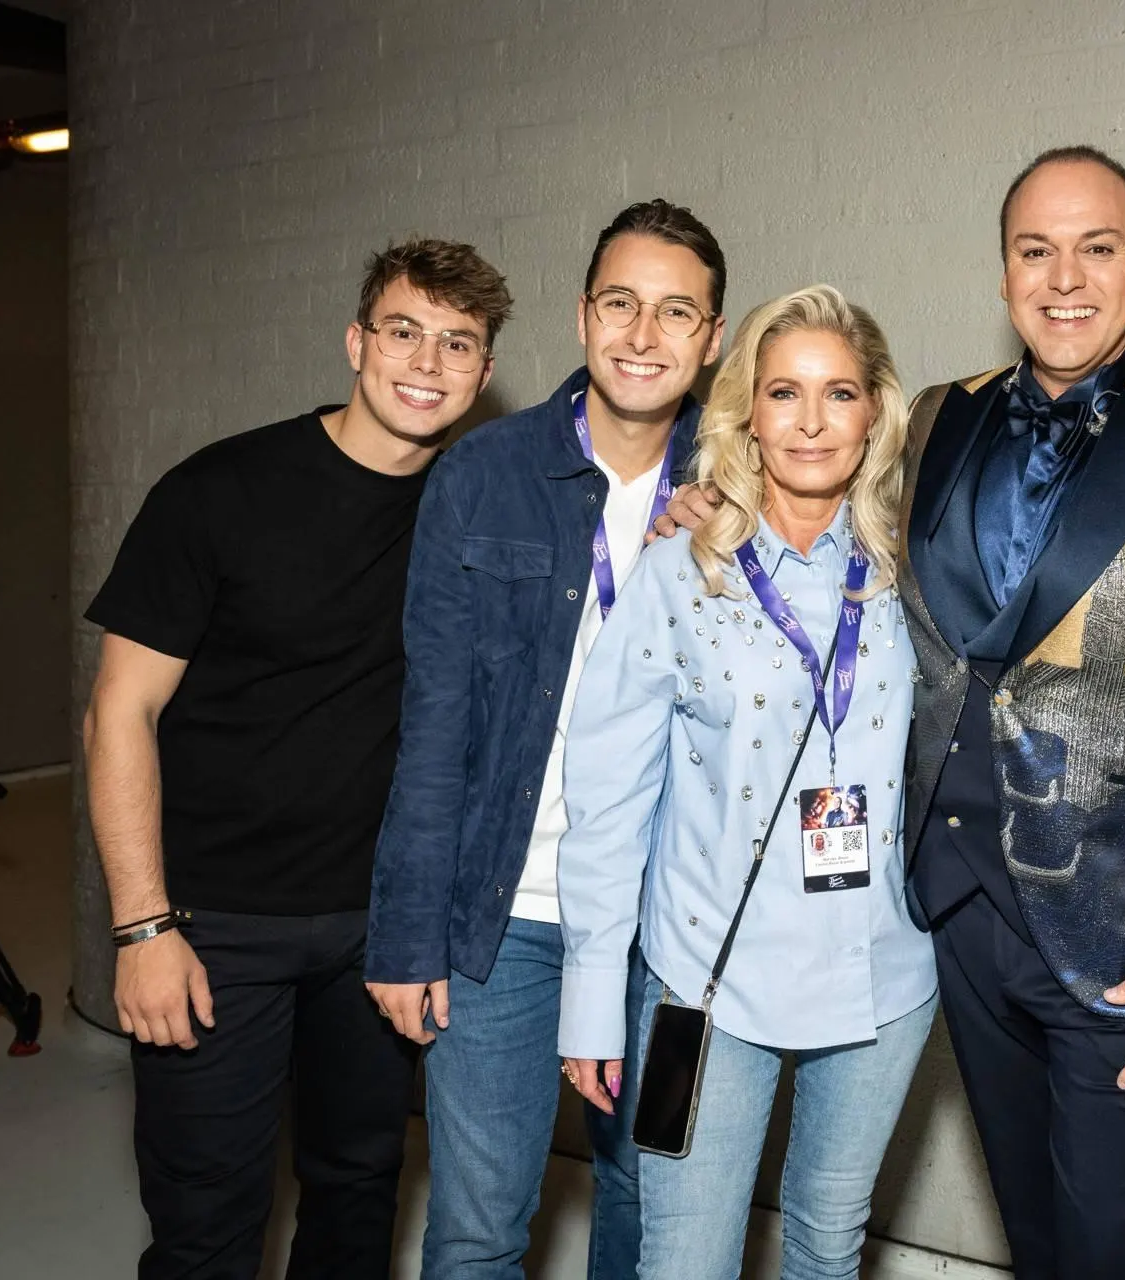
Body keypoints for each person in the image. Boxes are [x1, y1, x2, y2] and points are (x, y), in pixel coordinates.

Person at [659, 145, 1125, 1280]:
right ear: (1004, 271)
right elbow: (817, 495)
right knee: (1037, 1239)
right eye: (1036, 250)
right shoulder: (932, 420)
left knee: (1118, 1253)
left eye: (1097, 247)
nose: (1064, 276)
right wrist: (711, 491)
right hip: (958, 919)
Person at [82, 238, 512, 1280]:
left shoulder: (470, 513)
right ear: (357, 341)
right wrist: (143, 924)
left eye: (458, 342)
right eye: (405, 330)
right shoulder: (219, 490)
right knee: (207, 1222)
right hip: (213, 924)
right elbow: (117, 715)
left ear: (483, 371)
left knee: (358, 1194)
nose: (427, 360)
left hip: (377, 930)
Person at [363, 200, 724, 1278]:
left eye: (676, 312)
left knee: (650, 1206)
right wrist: (406, 930)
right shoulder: (483, 475)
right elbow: (433, 722)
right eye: (621, 302)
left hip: (672, 929)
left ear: (711, 337)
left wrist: (724, 556)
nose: (643, 334)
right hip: (504, 919)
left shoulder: (747, 484)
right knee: (477, 1227)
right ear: (581, 316)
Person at [557, 284, 936, 1280]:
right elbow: (606, 793)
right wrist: (595, 998)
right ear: (747, 414)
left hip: (884, 973)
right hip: (706, 983)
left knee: (826, 1244)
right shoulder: (681, 569)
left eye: (840, 392)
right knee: (682, 1260)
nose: (811, 422)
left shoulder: (921, 564)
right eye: (783, 392)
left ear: (875, 410)